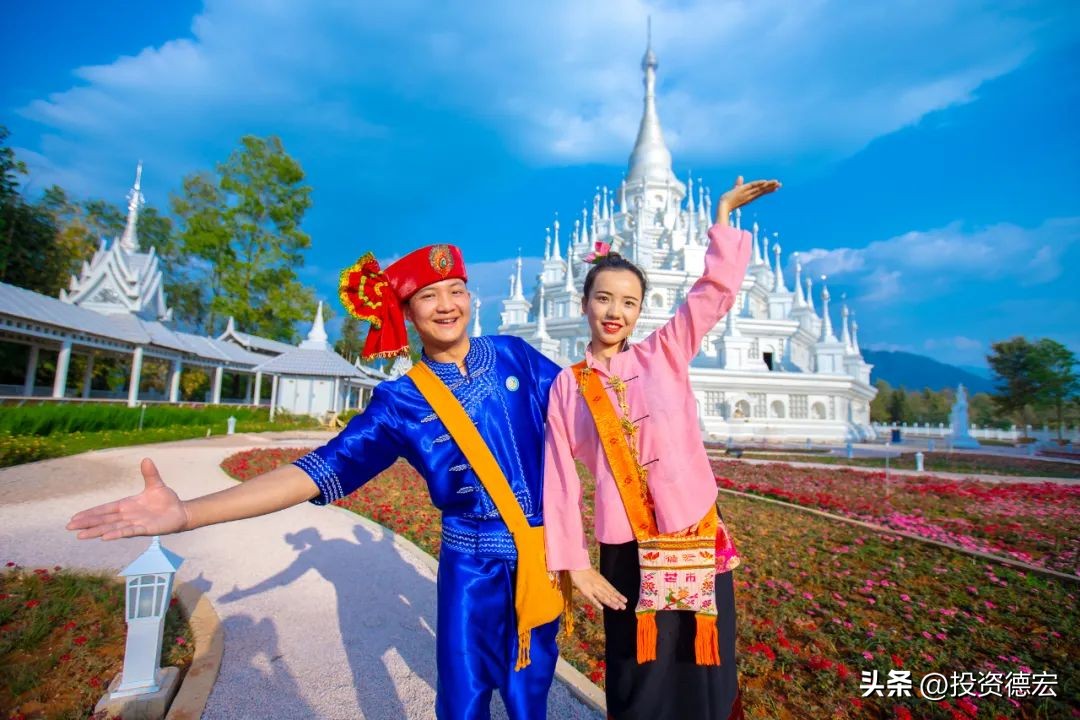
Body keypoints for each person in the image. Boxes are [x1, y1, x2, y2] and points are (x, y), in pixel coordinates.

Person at [68, 244, 563, 720]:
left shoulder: (515, 357)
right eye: (429, 295)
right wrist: (190, 513)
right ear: (408, 312)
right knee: (463, 693)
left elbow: (587, 409)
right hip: (469, 564)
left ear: (471, 298)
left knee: (530, 690)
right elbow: (316, 471)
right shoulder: (400, 402)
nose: (447, 305)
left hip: (538, 555)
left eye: (456, 289)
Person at [542, 176, 780, 720]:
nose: (614, 311)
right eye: (603, 297)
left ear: (640, 311)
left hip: (695, 529)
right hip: (627, 545)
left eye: (628, 302)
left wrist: (721, 218)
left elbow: (712, 294)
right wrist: (574, 565)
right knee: (637, 667)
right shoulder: (566, 386)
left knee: (707, 663)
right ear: (583, 302)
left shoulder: (665, 353)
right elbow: (560, 477)